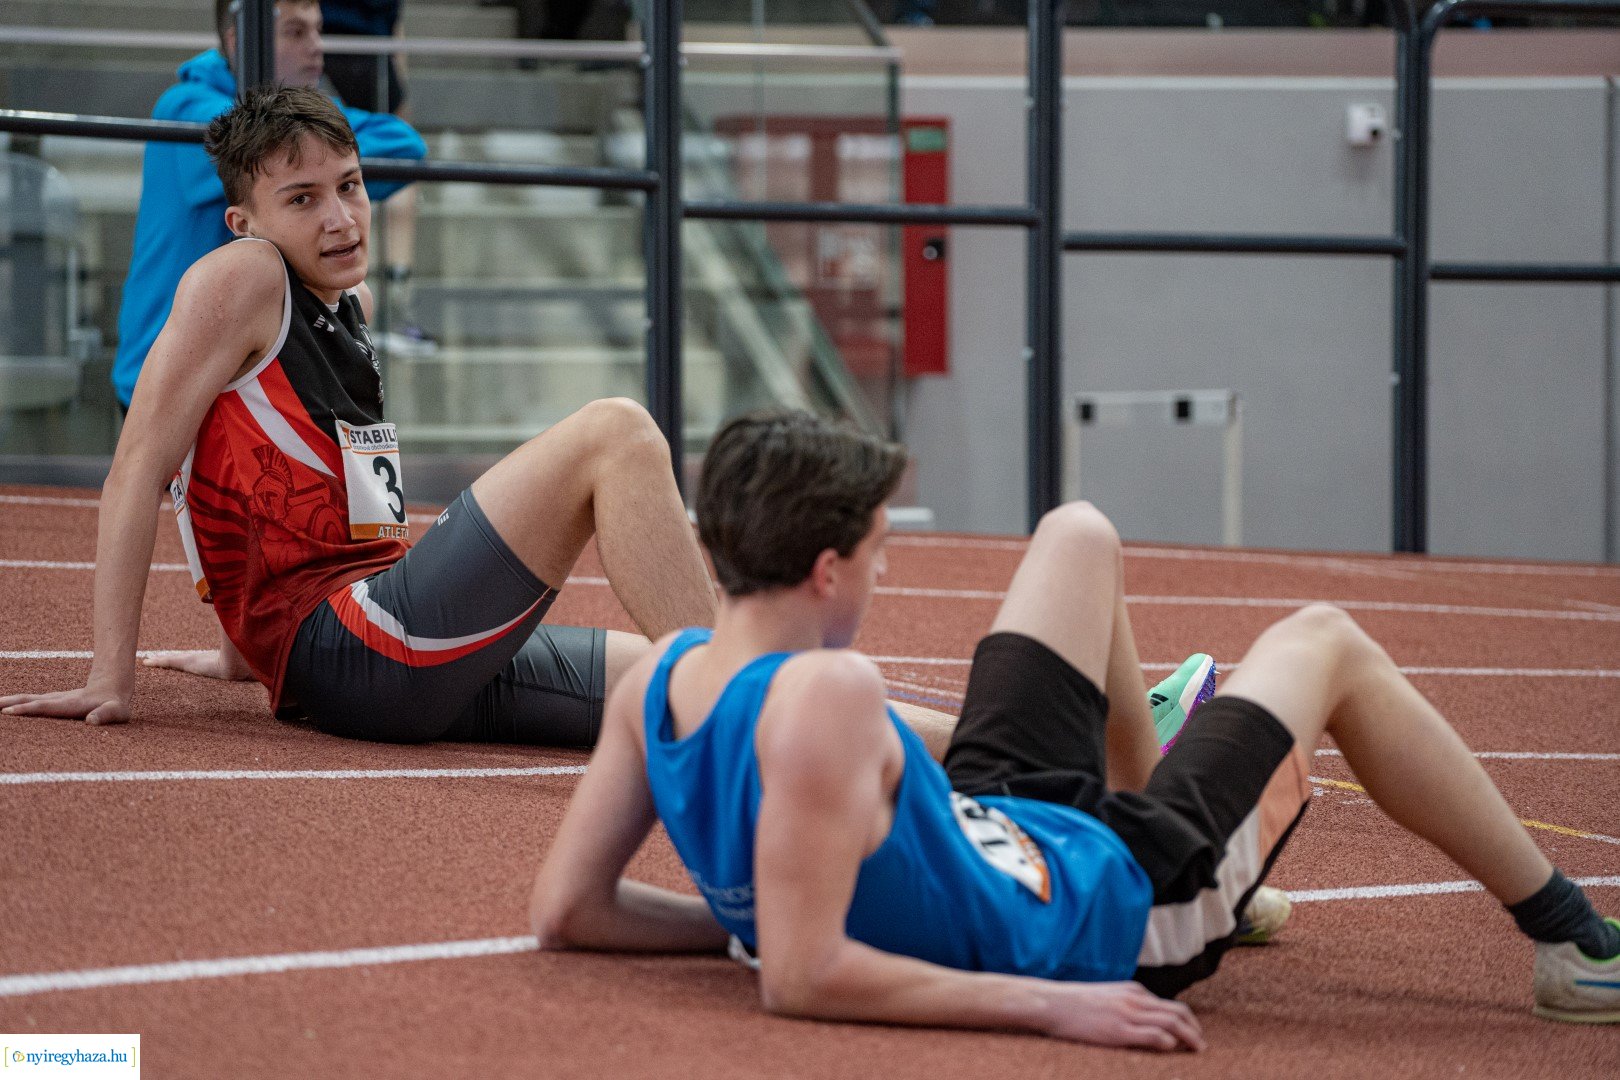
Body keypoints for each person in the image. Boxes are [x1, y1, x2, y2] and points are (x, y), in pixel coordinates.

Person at [530, 409, 1620, 1050]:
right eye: (876, 547)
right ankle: (1573, 943)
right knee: (1326, 639)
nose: (884, 565)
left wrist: (744, 918)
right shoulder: (831, 692)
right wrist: (1054, 1006)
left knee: (1078, 532)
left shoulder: (656, 683)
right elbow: (804, 982)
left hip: (1005, 830)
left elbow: (568, 910)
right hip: (1115, 915)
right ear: (828, 570)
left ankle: (1159, 812)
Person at [0, 89, 968, 759]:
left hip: (369, 640)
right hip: (356, 648)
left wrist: (241, 642)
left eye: (350, 185)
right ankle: (750, 730)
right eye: (302, 201)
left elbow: (315, 498)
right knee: (618, 435)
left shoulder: (345, 302)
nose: (341, 217)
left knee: (670, 669)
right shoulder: (242, 279)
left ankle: (1017, 757)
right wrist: (109, 676)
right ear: (245, 222)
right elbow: (140, 467)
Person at [110, 0, 427, 411]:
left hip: (251, 375)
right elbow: (384, 144)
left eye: (318, 30)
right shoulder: (186, 107)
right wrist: (323, 139)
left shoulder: (276, 121)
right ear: (241, 39)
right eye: (296, 33)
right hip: (168, 377)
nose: (316, 47)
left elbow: (407, 146)